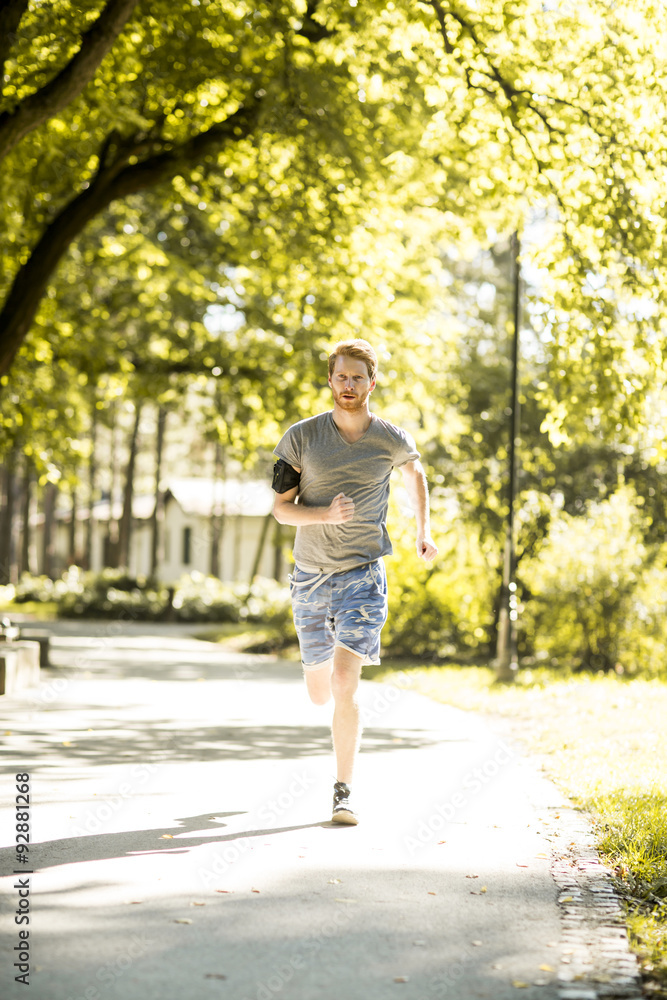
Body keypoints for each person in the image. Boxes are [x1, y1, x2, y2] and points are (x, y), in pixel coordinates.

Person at [272, 339, 437, 825]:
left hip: (363, 572)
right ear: (330, 380)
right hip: (310, 575)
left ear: (372, 382)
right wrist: (323, 513)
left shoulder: (390, 438)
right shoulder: (301, 438)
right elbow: (282, 509)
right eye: (341, 377)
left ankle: (343, 791)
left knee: (345, 682)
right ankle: (313, 671)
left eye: (358, 378)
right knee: (319, 691)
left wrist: (422, 530)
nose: (349, 385)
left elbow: (415, 474)